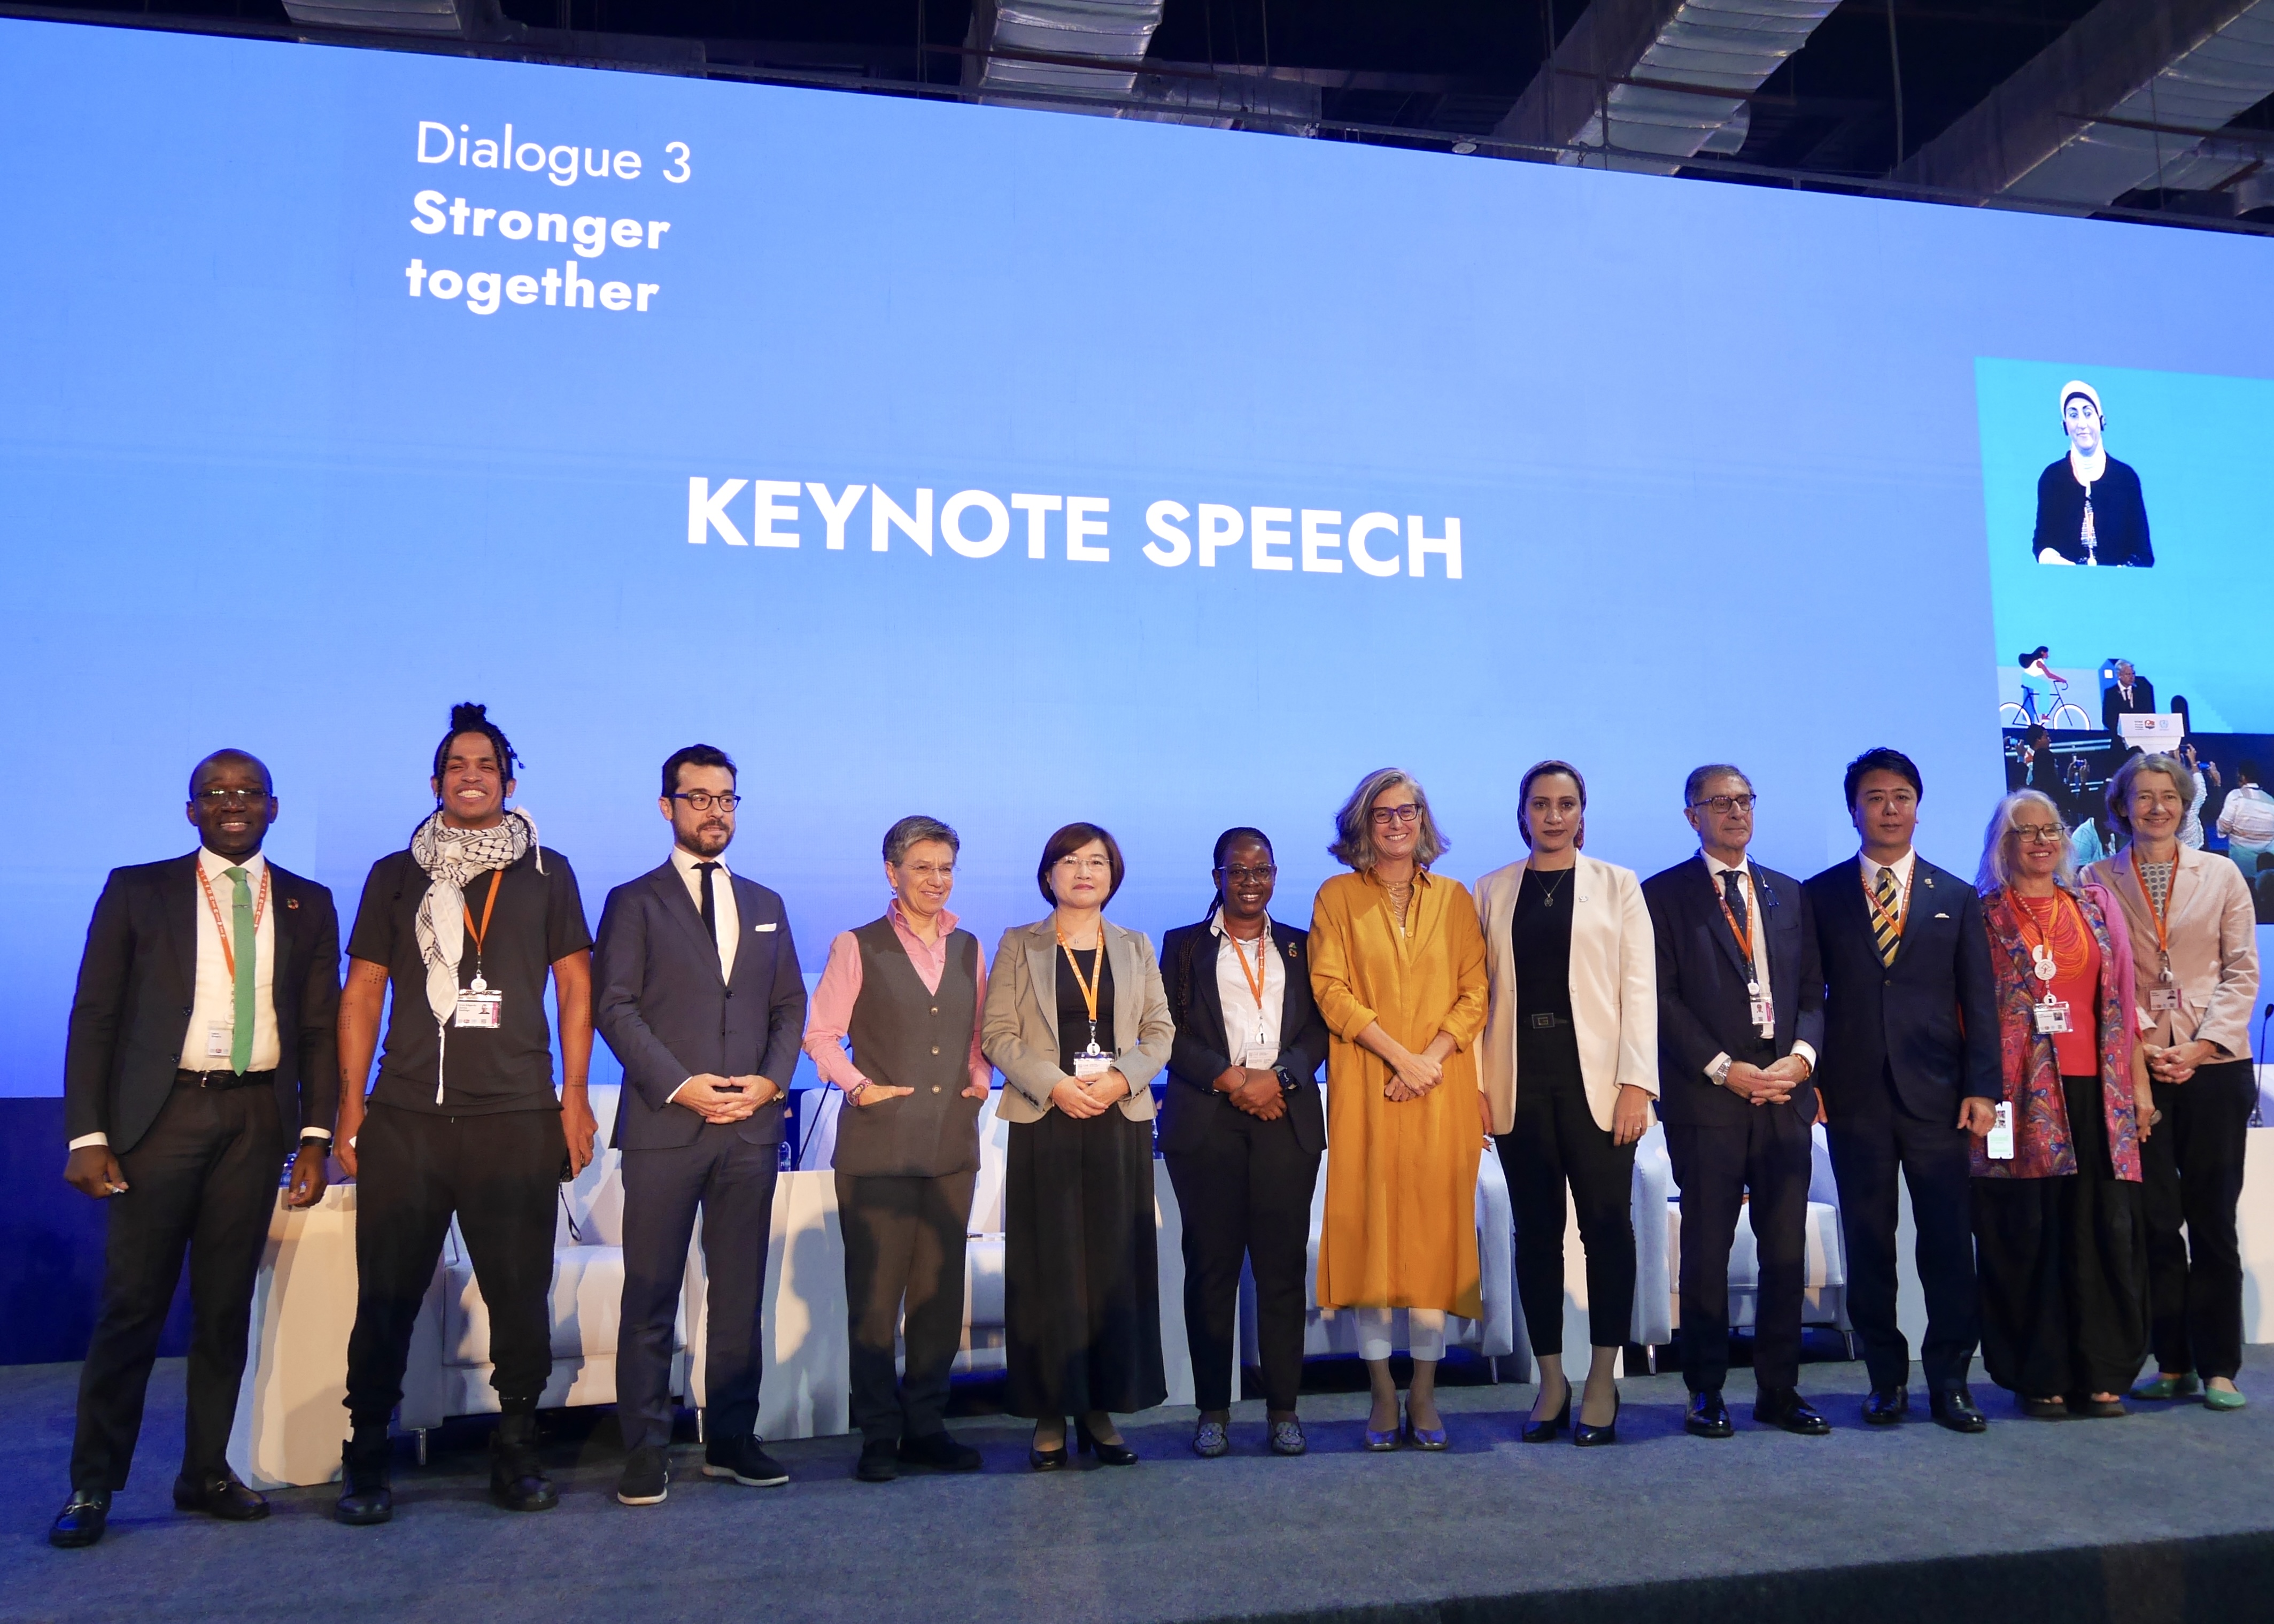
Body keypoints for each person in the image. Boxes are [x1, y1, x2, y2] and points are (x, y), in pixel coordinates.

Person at [50, 752, 340, 1549]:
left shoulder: (309, 903)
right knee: (132, 1308)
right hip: (162, 1117)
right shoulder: (138, 890)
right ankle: (93, 1484)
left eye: (248, 793)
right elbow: (94, 1015)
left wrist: (316, 1134)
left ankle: (206, 1470)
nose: (233, 804)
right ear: (191, 811)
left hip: (256, 1118)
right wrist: (88, 1132)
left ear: (273, 808)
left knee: (223, 1309)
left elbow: (319, 1026)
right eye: (215, 793)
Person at [332, 704, 598, 1523]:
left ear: (509, 782)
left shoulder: (548, 871)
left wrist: (576, 1097)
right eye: (456, 765)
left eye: (485, 764)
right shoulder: (393, 874)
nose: (471, 775)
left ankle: (515, 1446)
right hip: (406, 1115)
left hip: (515, 1114)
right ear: (437, 781)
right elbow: (365, 989)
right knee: (385, 1293)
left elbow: (576, 985)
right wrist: (350, 1105)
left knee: (520, 1292)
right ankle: (366, 1451)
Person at [592, 745, 809, 1506]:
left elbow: (788, 1007)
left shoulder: (767, 903)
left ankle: (730, 1438)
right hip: (664, 1125)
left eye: (726, 798)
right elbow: (613, 1007)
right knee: (649, 1293)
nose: (714, 810)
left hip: (748, 1127)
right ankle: (645, 1448)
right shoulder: (633, 899)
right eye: (699, 798)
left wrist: (770, 1081)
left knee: (739, 1292)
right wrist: (682, 1085)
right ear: (667, 807)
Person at [1802, 749, 1998, 1433]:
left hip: (1941, 1097)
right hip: (1853, 1095)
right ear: (1853, 808)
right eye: (1875, 796)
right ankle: (1886, 1379)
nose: (1889, 808)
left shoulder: (1955, 895)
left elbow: (1980, 999)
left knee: (1947, 1241)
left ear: (1919, 805)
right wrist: (1814, 1079)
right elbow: (1810, 998)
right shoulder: (1819, 894)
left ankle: (1951, 1381)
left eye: (1902, 795)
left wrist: (1983, 1089)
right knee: (1869, 1241)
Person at [803, 815, 991, 1483]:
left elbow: (976, 1032)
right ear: (892, 872)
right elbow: (821, 1035)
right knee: (877, 1300)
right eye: (922, 868)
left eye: (946, 868)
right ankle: (879, 1433)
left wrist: (978, 1077)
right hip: (878, 1148)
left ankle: (927, 1426)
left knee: (940, 1295)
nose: (936, 880)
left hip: (950, 1144)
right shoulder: (857, 944)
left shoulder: (970, 946)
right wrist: (858, 1087)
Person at [1643, 764, 1828, 1439]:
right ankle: (1705, 1389)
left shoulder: (1787, 892)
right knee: (1707, 1251)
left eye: (1744, 800)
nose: (1735, 812)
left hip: (1785, 1096)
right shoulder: (1662, 895)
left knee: (1784, 1252)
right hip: (1710, 1100)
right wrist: (1727, 1069)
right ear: (1692, 815)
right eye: (1719, 803)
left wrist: (1800, 1059)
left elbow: (1813, 992)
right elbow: (1660, 999)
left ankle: (1780, 1388)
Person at [1473, 761, 1654, 1448]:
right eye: (1541, 804)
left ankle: (1604, 1375)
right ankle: (1552, 1379)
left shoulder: (1618, 884)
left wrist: (1638, 1081)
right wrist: (1479, 1089)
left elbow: (1639, 987)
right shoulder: (1490, 889)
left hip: (1602, 1084)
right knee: (1537, 1234)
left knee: (1609, 1227)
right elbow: (1478, 996)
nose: (1554, 815)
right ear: (1522, 813)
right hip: (1520, 1078)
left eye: (1567, 803)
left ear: (1584, 812)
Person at [1308, 768, 1489, 1451]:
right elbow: (1330, 989)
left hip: (1440, 1092)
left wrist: (1430, 1060)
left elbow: (1475, 991)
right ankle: (1383, 1391)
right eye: (1382, 814)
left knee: (1436, 1242)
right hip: (1368, 1087)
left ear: (1423, 818)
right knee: (1375, 1241)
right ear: (1362, 823)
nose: (1396, 824)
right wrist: (1398, 1057)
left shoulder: (1455, 897)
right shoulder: (1337, 896)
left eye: (1407, 811)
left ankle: (1424, 1392)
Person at [980, 824, 1172, 1468]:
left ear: (1113, 875)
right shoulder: (1019, 943)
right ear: (1049, 874)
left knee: (1115, 1268)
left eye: (1096, 861)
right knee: (1050, 1269)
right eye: (1070, 861)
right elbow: (999, 1034)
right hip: (1047, 1117)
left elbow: (1160, 1030)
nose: (1083, 871)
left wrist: (1119, 1078)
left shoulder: (1136, 945)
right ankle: (1048, 1411)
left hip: (1118, 1117)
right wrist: (1058, 1085)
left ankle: (1102, 1408)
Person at [2086, 754, 2261, 1412]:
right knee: (2154, 1223)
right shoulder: (2095, 878)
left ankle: (2220, 1365)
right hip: (2139, 1071)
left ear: (2186, 804)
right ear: (2121, 805)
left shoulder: (2220, 873)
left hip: (2215, 1065)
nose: (2157, 806)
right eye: (2143, 795)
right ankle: (2174, 1359)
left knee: (2212, 1220)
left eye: (2168, 795)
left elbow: (2243, 969)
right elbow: (2103, 972)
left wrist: (2201, 1044)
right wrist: (2149, 1043)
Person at [1973, 791, 2152, 1418]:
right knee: (2029, 1235)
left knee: (2102, 1231)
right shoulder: (1983, 914)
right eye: (2026, 831)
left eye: (2050, 829)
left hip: (2096, 1094)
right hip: (2017, 1100)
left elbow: (2124, 1005)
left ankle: (2102, 1372)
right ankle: (2040, 1374)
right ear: (2004, 842)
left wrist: (2141, 1090)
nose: (2042, 840)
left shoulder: (2095, 908)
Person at [1158, 829, 1331, 1459]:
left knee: (1283, 1268)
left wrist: (1277, 1077)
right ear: (1217, 877)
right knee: (1212, 1269)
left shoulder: (1301, 945)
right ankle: (1213, 1410)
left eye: (1262, 869)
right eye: (1239, 870)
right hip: (1209, 1119)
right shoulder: (1181, 947)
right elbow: (1166, 1032)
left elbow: (1321, 1028)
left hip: (1286, 1114)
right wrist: (1233, 1079)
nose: (1251, 880)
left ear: (1275, 875)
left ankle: (1284, 1408)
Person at [2033, 381, 2153, 567]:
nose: (2082, 424)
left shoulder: (2125, 479)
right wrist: (2053, 559)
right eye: (2073, 415)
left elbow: (2143, 554)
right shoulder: (2053, 479)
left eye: (2088, 413)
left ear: (2101, 420)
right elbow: (2042, 545)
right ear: (2065, 425)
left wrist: (2121, 574)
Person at [2215, 760, 2274, 877]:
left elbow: (2224, 826)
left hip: (2241, 859)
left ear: (2242, 777)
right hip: (2267, 862)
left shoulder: (2236, 796)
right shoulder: (2271, 801)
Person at [2101, 660, 2157, 734]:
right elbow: (2107, 718)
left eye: (2133, 674)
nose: (2132, 677)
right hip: (2119, 739)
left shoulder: (2142, 692)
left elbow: (2149, 713)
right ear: (2119, 675)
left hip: (2141, 737)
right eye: (2128, 674)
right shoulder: (2111, 693)